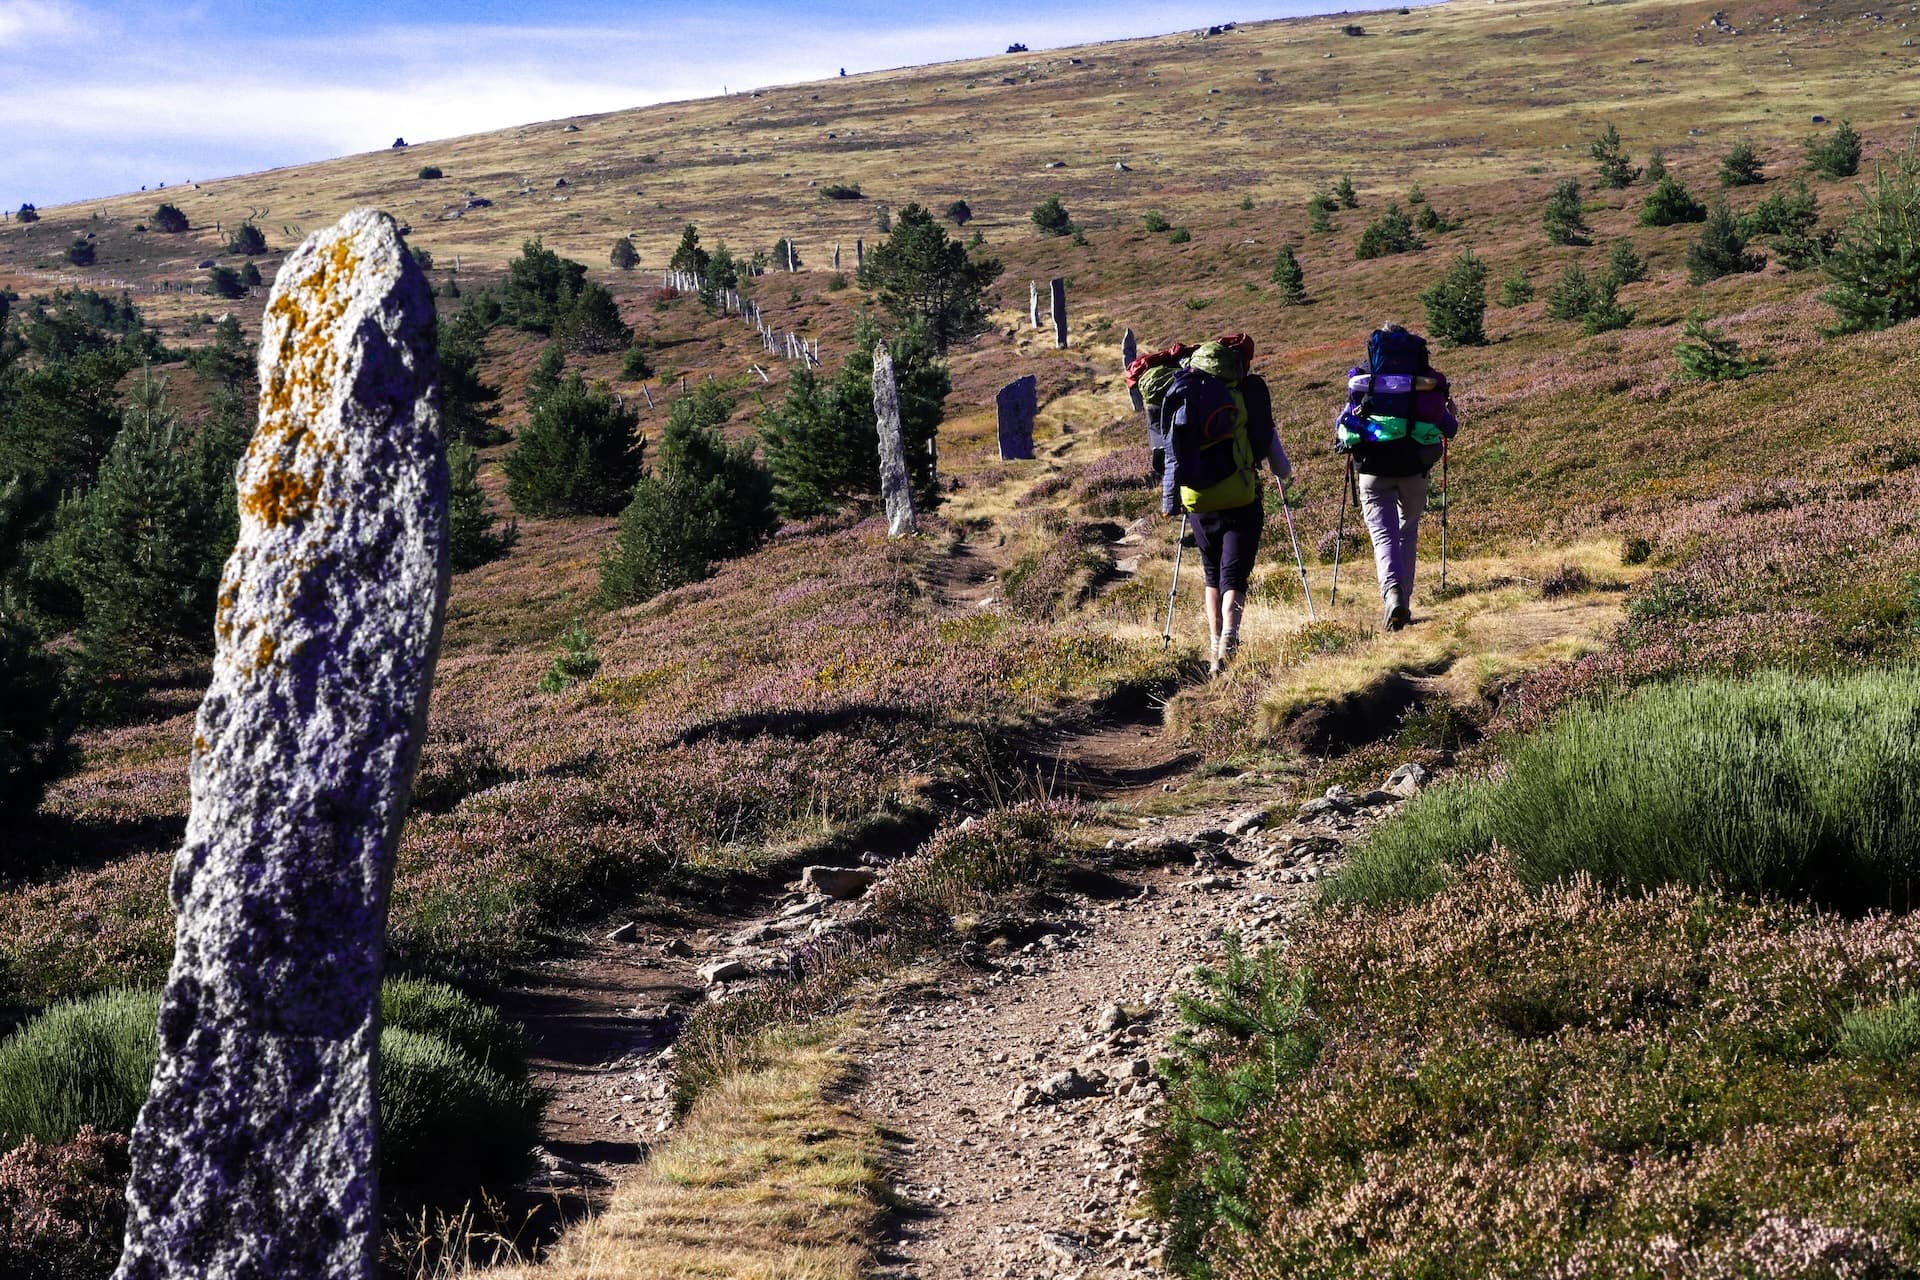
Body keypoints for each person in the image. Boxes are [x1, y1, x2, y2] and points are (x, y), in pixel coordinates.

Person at [1160, 335, 1292, 677]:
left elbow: (1170, 455)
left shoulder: (1186, 394)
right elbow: (1280, 464)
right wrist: (1280, 473)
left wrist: (1172, 499)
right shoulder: (1246, 396)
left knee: (1211, 573)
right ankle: (1230, 641)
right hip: (1241, 496)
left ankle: (1214, 641)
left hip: (1198, 500)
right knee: (1234, 574)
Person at [1334, 323, 1458, 631]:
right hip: (1414, 468)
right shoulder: (1427, 385)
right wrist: (1449, 411)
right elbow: (1450, 429)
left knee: (1383, 536)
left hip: (1373, 470)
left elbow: (1343, 425)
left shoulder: (1365, 383)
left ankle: (1393, 595)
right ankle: (1404, 600)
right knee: (1407, 533)